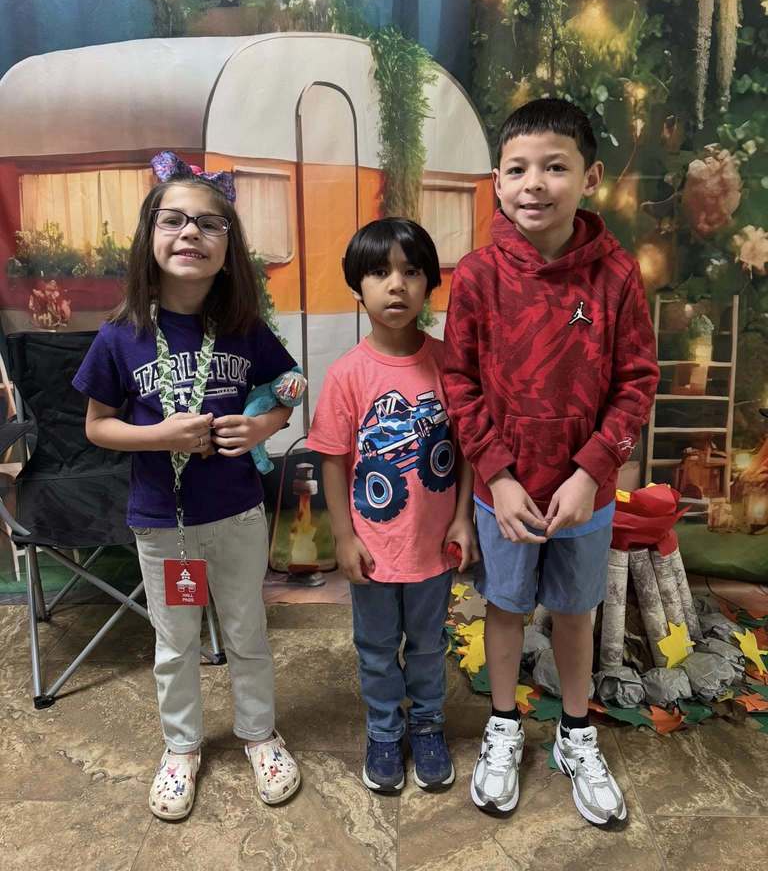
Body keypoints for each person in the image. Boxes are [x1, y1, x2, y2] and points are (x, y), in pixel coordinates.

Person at [443, 99, 659, 827]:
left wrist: (592, 472)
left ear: (590, 177)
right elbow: (460, 382)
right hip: (503, 495)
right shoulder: (475, 278)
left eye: (555, 167)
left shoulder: (618, 277)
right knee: (503, 608)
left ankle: (575, 732)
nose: (534, 183)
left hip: (583, 500)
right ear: (497, 183)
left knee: (573, 614)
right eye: (518, 169)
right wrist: (498, 477)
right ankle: (503, 726)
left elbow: (637, 382)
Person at [73, 153, 301, 820]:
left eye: (209, 224)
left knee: (247, 629)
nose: (190, 234)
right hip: (161, 519)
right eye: (173, 220)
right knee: (175, 643)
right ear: (150, 236)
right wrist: (159, 438)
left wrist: (264, 427)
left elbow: (287, 395)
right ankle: (181, 747)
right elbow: (96, 427)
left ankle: (260, 734)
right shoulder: (122, 335)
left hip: (236, 514)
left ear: (229, 248)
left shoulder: (245, 330)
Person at [307, 218, 477, 795]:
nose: (396, 285)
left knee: (429, 646)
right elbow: (332, 458)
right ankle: (384, 729)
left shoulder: (450, 365)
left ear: (430, 283)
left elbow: (466, 446)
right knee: (377, 648)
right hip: (374, 549)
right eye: (380, 272)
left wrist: (462, 516)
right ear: (359, 287)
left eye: (410, 271)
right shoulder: (348, 374)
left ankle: (427, 725)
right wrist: (343, 535)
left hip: (433, 546)